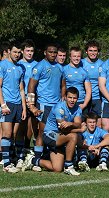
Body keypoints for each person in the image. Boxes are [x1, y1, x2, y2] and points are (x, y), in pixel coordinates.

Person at [23, 87, 85, 175]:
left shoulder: (78, 109)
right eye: (70, 97)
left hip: (61, 136)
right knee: (74, 136)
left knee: (57, 168)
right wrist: (80, 129)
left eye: (74, 98)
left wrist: (71, 124)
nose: (72, 100)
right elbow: (63, 128)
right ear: (65, 97)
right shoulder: (59, 107)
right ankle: (68, 166)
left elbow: (78, 123)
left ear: (77, 99)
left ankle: (33, 160)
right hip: (50, 134)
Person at [27, 43, 63, 172]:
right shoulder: (39, 66)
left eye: (55, 52)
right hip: (44, 104)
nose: (53, 54)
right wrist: (31, 106)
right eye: (50, 52)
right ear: (45, 53)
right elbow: (31, 87)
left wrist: (62, 99)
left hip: (57, 105)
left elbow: (62, 85)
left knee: (56, 132)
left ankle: (47, 155)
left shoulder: (59, 67)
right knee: (42, 132)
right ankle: (36, 160)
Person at [0, 41, 26, 173]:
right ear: (9, 51)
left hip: (18, 104)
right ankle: (6, 164)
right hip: (7, 104)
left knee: (13, 135)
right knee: (7, 133)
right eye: (15, 52)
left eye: (19, 52)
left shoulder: (21, 67)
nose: (17, 54)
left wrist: (24, 108)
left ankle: (10, 158)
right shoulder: (2, 65)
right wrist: (3, 105)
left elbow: (21, 89)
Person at [17, 39, 38, 163]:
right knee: (21, 125)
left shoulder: (37, 64)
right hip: (21, 99)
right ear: (22, 51)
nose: (30, 53)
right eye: (28, 50)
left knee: (32, 125)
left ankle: (26, 147)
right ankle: (18, 150)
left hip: (34, 99)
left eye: (32, 51)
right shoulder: (18, 64)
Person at [62, 46, 91, 115]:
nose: (76, 58)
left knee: (82, 125)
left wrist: (85, 104)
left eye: (78, 56)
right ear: (70, 57)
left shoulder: (84, 72)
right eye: (74, 56)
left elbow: (88, 90)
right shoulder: (64, 70)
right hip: (68, 102)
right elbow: (61, 87)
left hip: (81, 102)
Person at [81, 40, 103, 127]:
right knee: (83, 123)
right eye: (90, 50)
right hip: (84, 98)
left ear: (98, 52)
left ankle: (96, 140)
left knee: (97, 124)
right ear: (86, 51)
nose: (93, 53)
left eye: (95, 50)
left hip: (97, 98)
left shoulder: (102, 64)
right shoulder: (81, 63)